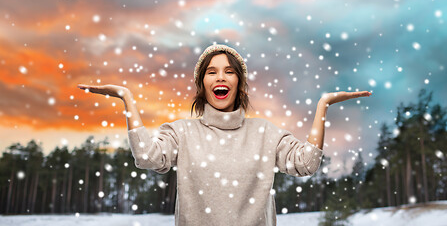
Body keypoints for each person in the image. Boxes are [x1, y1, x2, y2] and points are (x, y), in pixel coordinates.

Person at [78, 44, 372, 226]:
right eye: (212, 72)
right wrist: (127, 98)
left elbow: (307, 164)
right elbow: (146, 156)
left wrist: (323, 106)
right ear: (202, 84)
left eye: (229, 72)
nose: (220, 77)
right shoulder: (181, 132)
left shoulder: (264, 133)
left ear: (239, 84)